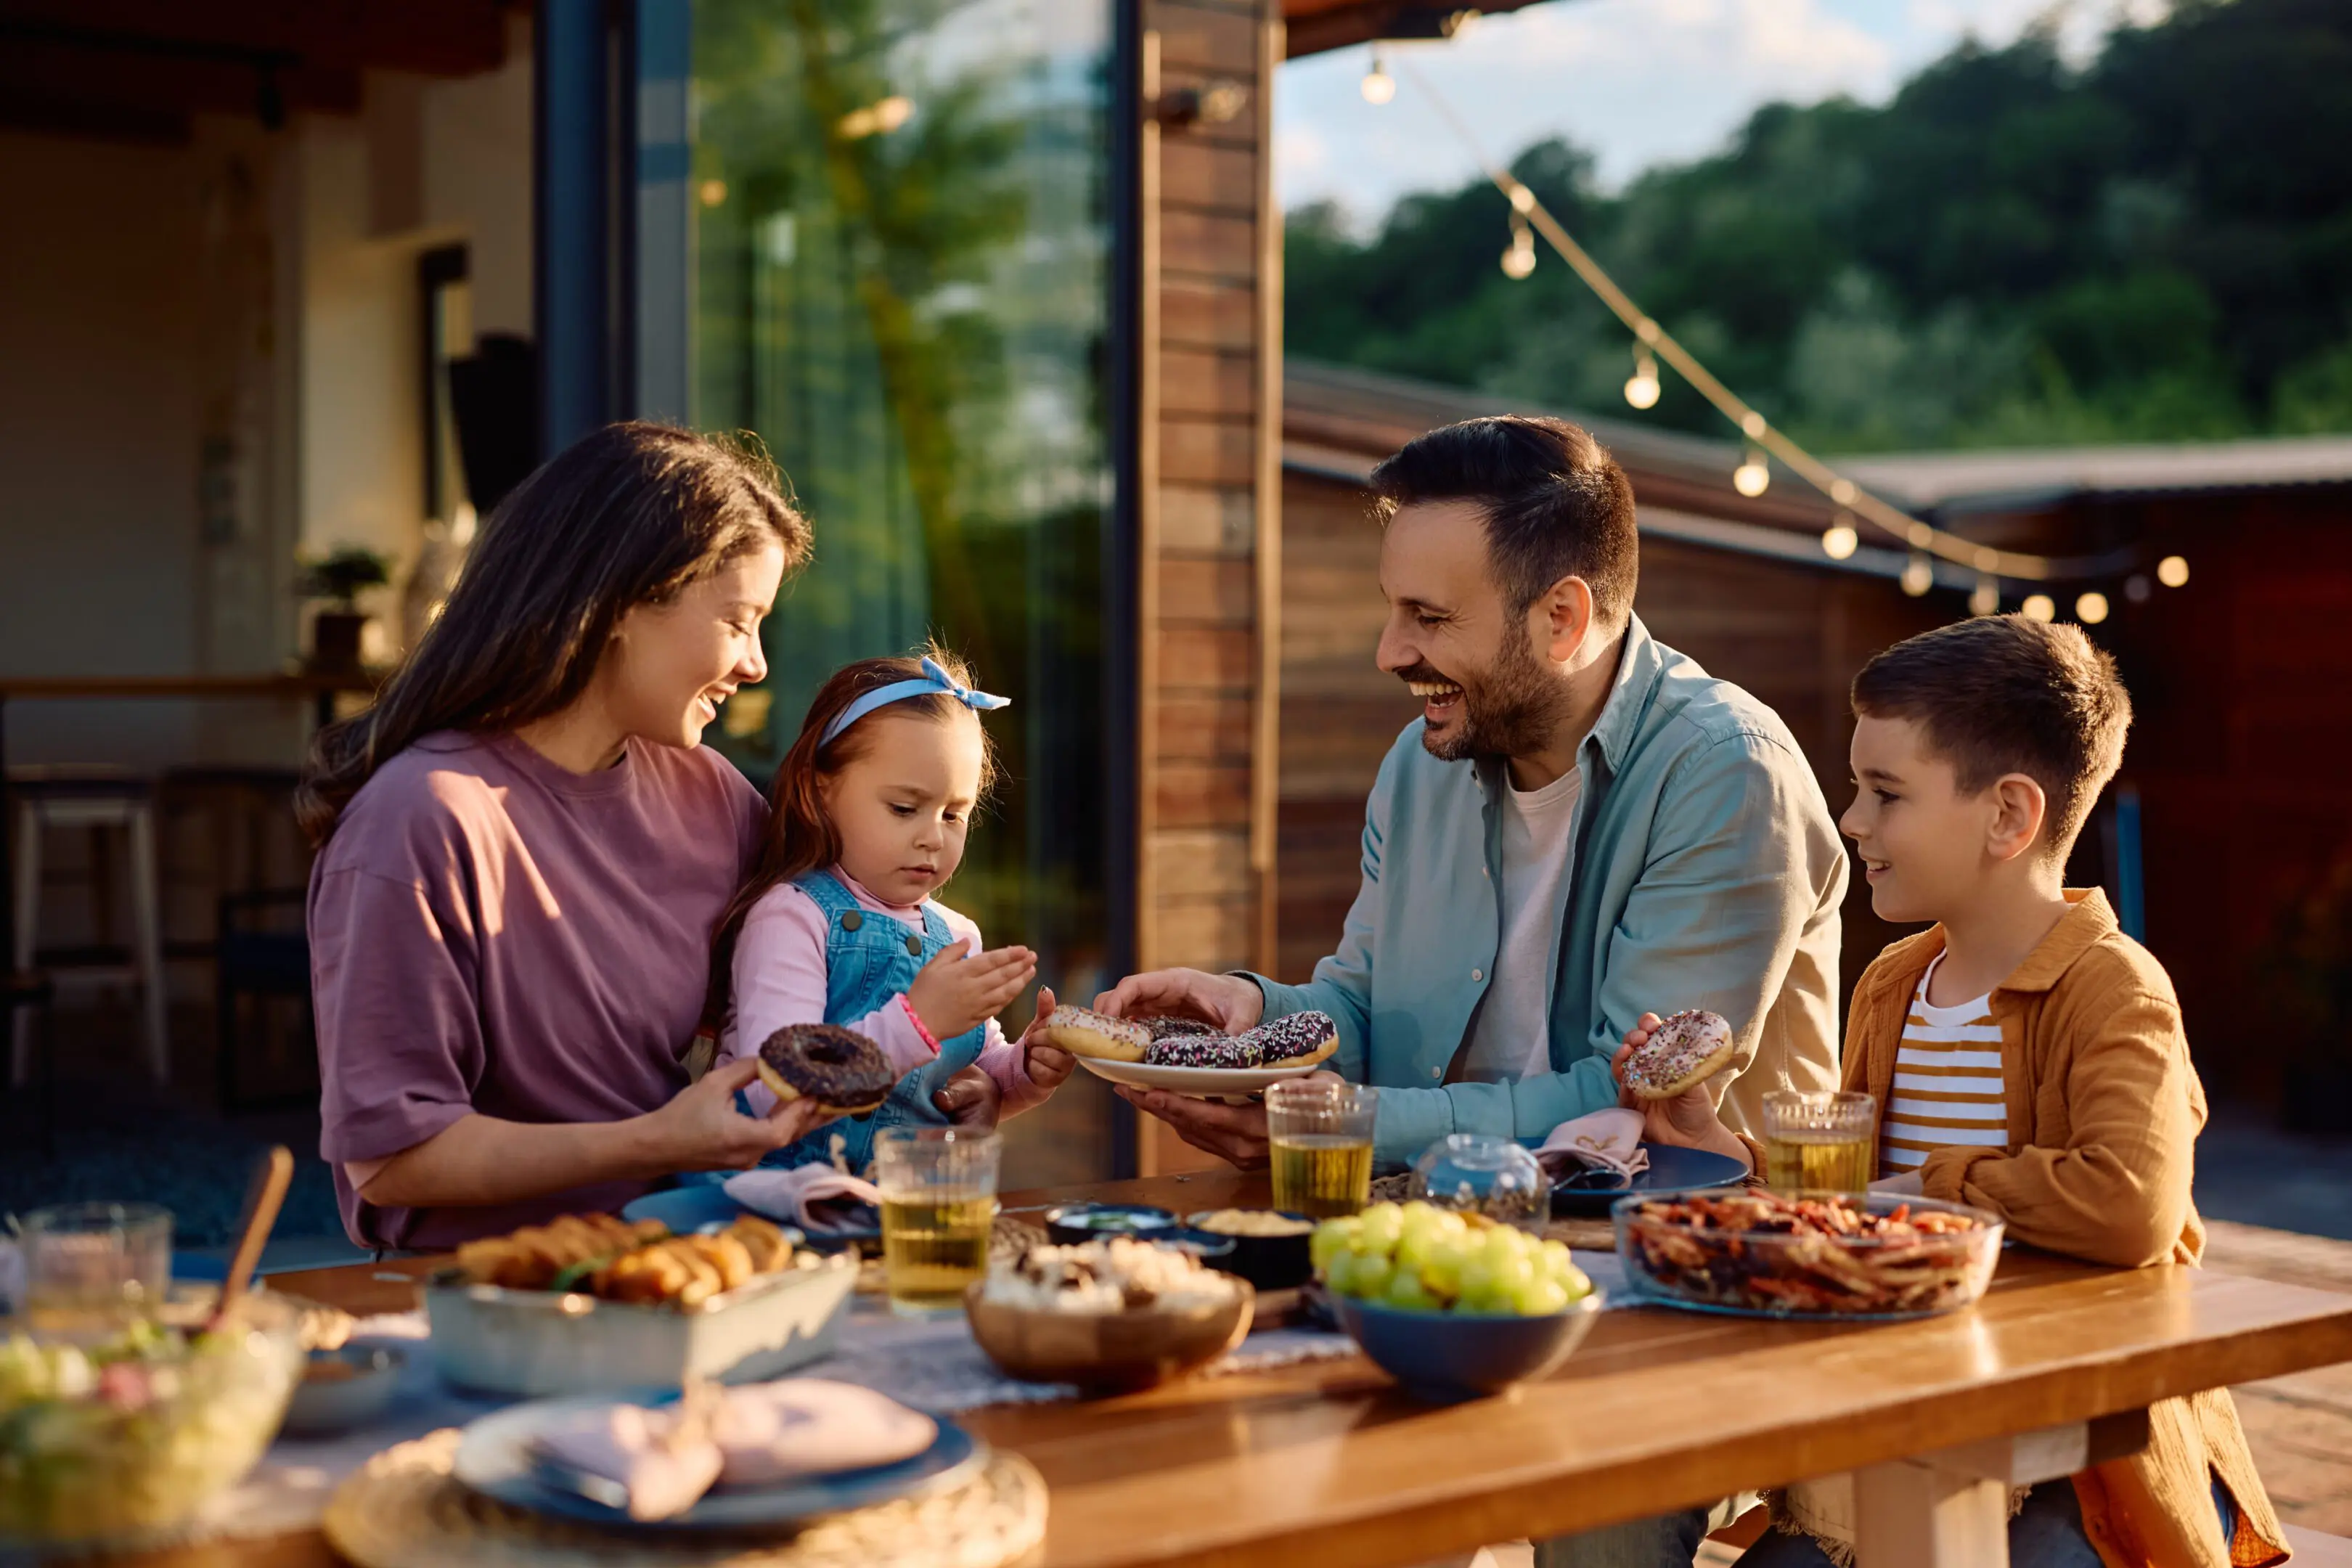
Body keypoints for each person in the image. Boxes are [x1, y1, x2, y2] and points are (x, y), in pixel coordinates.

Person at [1626, 614, 2286, 1568]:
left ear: (2009, 816)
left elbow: (2130, 1205)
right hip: (1908, 1410)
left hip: (2088, 1444)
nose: (1853, 820)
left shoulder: (2114, 986)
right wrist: (1725, 1150)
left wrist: (1930, 1196)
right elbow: (1856, 1202)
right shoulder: (1893, 984)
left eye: (1885, 793)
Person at [1100, 414, 1848, 1173]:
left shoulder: (1727, 774)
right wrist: (1256, 1013)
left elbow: (1634, 1102)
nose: (1389, 653)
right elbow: (1364, 1010)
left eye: (1428, 617)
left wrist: (1347, 1126)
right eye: (1392, 610)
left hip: (1692, 1259)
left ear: (1562, 619)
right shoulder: (1419, 765)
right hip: (1447, 1244)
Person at [302, 424, 987, 1250]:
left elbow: (829, 993)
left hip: (707, 1253)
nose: (758, 664)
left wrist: (962, 1077)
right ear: (624, 603)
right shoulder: (418, 824)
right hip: (494, 1290)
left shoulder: (714, 801)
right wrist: (660, 1139)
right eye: (739, 622)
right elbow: (396, 1161)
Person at [703, 648, 1077, 1170]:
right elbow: (775, 1088)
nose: (932, 837)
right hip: (771, 1211)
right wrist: (918, 1021)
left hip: (895, 1219)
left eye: (954, 814)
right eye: (904, 808)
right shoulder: (791, 917)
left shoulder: (956, 935)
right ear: (818, 793)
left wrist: (1024, 1070)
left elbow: (970, 1079)